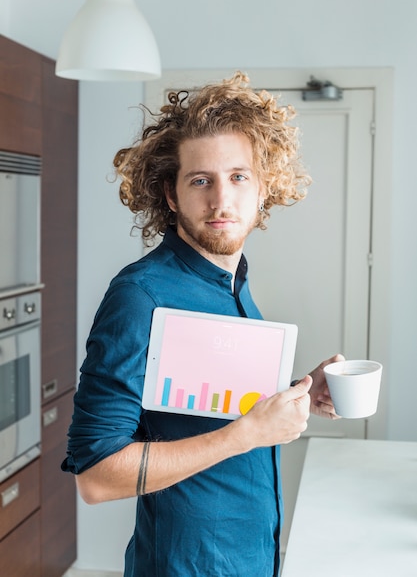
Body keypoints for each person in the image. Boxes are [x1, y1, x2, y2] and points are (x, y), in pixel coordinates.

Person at [62, 72, 342, 577]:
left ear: (263, 189)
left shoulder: (232, 281)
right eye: (200, 180)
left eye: (238, 177)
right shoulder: (140, 296)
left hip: (252, 557)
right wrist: (248, 434)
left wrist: (300, 390)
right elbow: (96, 477)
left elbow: (207, 402)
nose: (220, 201)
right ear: (170, 195)